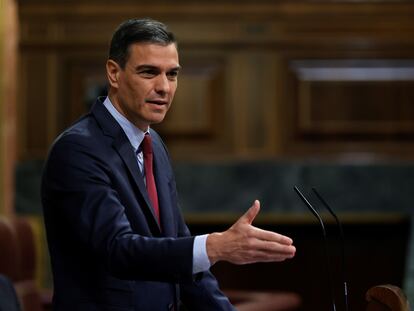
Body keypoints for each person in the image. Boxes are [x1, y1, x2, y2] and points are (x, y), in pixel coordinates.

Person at [41, 18, 296, 311]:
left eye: (172, 74)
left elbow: (178, 247)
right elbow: (117, 249)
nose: (163, 87)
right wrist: (214, 246)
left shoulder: (155, 145)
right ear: (114, 73)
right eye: (149, 72)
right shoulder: (78, 149)